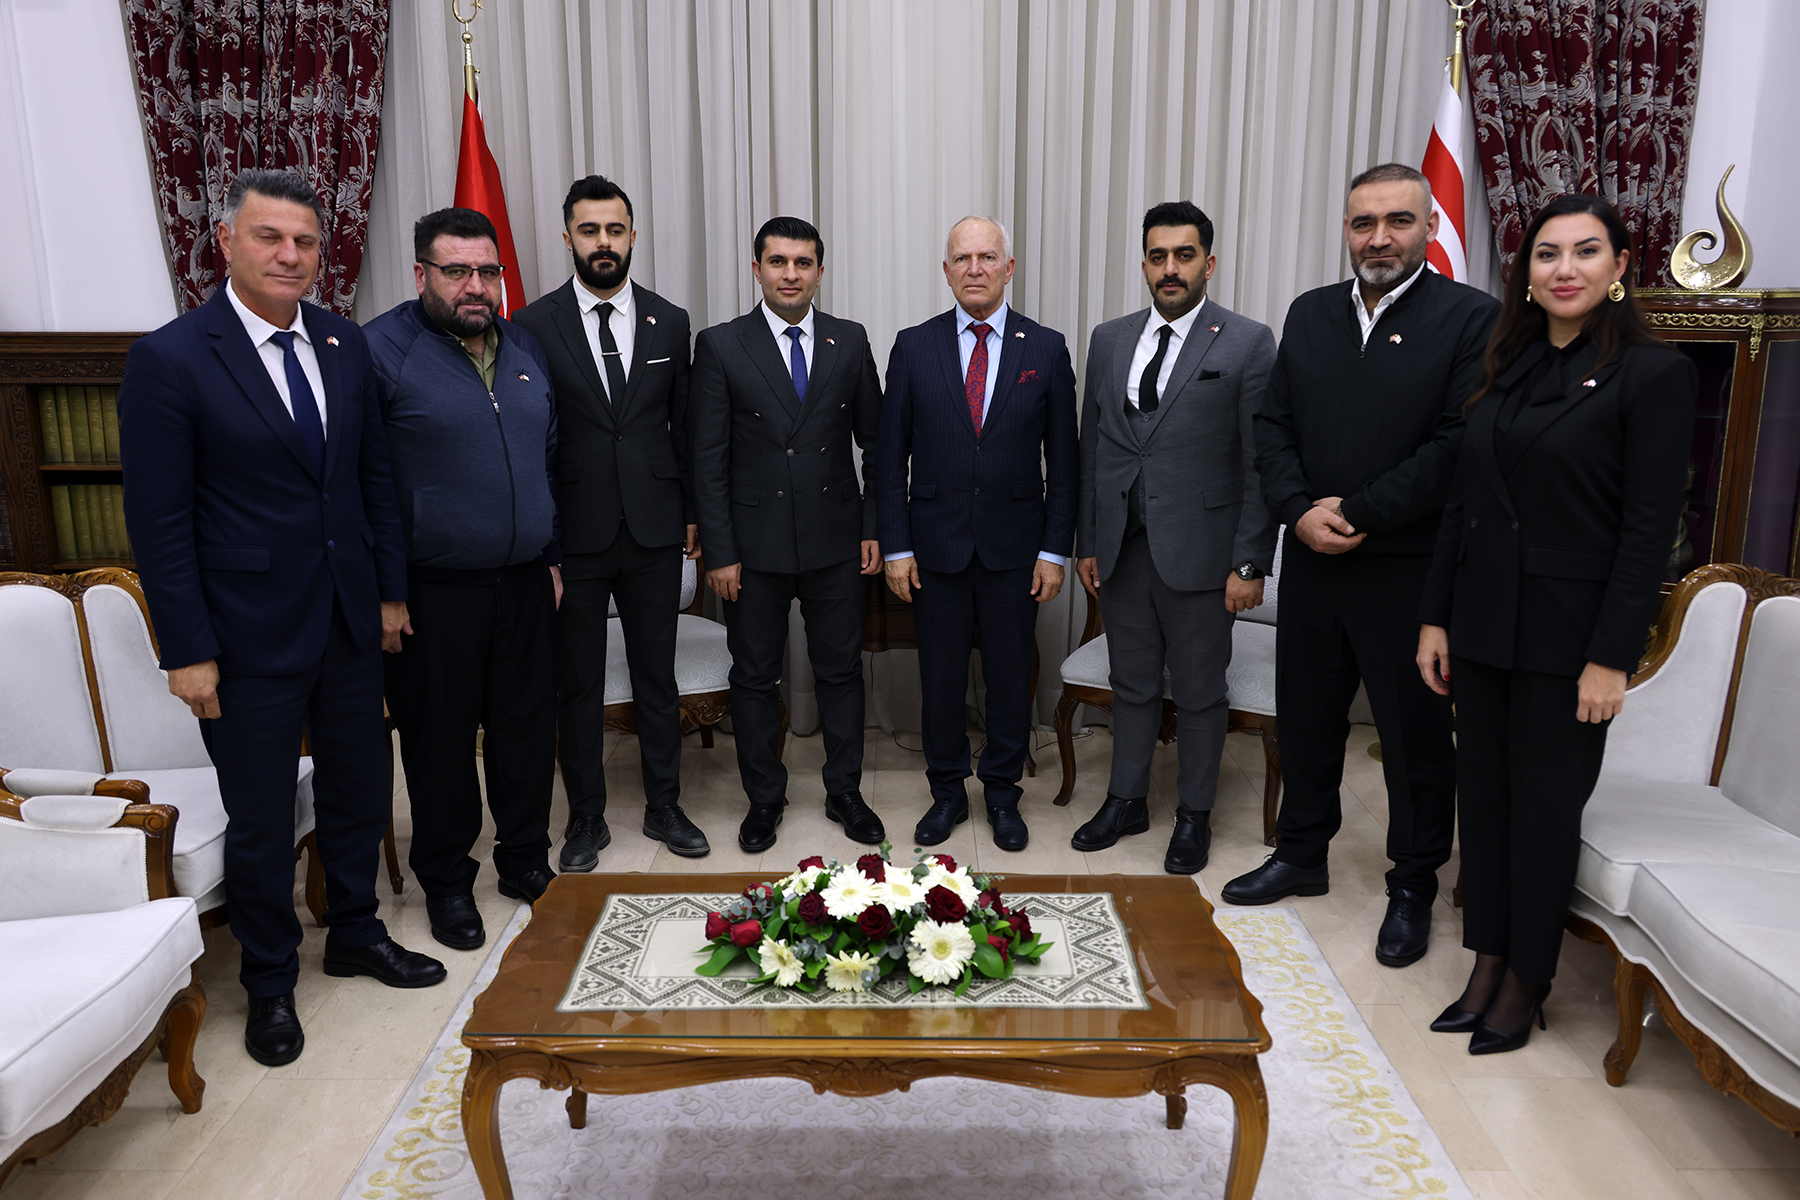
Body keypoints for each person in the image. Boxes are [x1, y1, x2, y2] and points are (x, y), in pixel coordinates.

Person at [119, 169, 446, 1068]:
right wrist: (187, 650)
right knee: (262, 819)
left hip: (347, 623)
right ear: (226, 241)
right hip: (244, 637)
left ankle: (356, 933)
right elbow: (159, 523)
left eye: (304, 241)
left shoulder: (342, 343)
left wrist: (387, 594)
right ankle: (269, 980)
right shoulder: (171, 359)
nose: (290, 255)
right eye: (270, 237)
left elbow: (371, 480)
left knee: (358, 791)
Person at [1417, 194, 1696, 1053]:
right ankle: (1488, 960)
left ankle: (1527, 979)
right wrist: (1436, 619)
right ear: (1526, 274)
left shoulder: (1652, 374)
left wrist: (1612, 657)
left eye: (1584, 251)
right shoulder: (1506, 362)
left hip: (1570, 640)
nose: (1564, 269)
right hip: (1483, 626)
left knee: (1543, 815)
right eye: (1546, 254)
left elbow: (1648, 532)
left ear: (1619, 267)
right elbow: (1462, 503)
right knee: (1485, 804)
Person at [1228, 164, 1500, 971]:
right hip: (1313, 562)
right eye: (1363, 223)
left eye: (1398, 221)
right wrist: (1298, 511)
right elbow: (1272, 427)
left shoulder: (1472, 318)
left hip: (1407, 571)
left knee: (1415, 740)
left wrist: (1358, 511)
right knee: (1307, 718)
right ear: (1346, 230)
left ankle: (1412, 883)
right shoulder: (1310, 313)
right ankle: (1301, 853)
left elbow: (1456, 446)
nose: (1379, 238)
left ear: (1429, 228)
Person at [365, 207, 560, 952]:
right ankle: (446, 882)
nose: (474, 286)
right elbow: (364, 484)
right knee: (441, 745)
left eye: (487, 271)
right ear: (422, 273)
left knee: (524, 733)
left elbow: (548, 460)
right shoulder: (381, 351)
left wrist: (553, 557)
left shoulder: (524, 347)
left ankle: (524, 860)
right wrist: (387, 591)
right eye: (456, 271)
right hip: (432, 591)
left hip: (524, 581)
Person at [1071, 201, 1278, 874]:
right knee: (1131, 683)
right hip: (1123, 548)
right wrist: (1088, 542)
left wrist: (1250, 561)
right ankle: (1126, 800)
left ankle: (1194, 816)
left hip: (1204, 554)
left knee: (1198, 691)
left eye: (1184, 255)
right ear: (1144, 265)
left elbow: (1261, 462)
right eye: (1158, 256)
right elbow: (1093, 448)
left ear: (1208, 264)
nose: (1170, 268)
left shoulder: (1247, 341)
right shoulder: (1109, 338)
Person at [513, 175, 709, 866]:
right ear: (568, 237)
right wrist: (543, 539)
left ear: (631, 236)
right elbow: (530, 438)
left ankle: (664, 806)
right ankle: (586, 819)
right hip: (573, 535)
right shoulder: (531, 325)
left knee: (658, 676)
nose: (604, 242)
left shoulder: (669, 321)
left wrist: (692, 514)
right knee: (578, 684)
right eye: (590, 230)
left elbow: (684, 428)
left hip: (655, 530)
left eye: (615, 230)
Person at [873, 215, 1079, 852]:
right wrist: (897, 546)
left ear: (1008, 268)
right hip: (934, 546)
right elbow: (888, 459)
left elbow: (1065, 463)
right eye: (962, 259)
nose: (975, 269)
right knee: (939, 678)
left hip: (1016, 549)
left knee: (1010, 677)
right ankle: (946, 792)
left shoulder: (1045, 348)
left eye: (987, 257)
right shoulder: (914, 346)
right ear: (946, 271)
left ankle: (1003, 793)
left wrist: (1053, 550)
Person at [689, 217, 886, 852]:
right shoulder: (721, 345)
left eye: (803, 263)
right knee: (753, 677)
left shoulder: (849, 340)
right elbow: (707, 459)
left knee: (841, 672)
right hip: (753, 548)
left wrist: (873, 526)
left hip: (836, 540)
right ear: (757, 269)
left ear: (820, 272)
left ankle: (845, 791)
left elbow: (877, 444)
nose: (791, 274)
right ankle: (764, 799)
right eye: (778, 262)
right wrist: (720, 551)